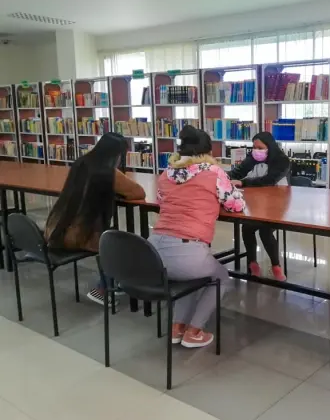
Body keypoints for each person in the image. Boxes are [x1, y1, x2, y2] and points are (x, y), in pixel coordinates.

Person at [149, 126, 245, 348]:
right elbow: (235, 205)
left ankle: (176, 328)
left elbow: (161, 202)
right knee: (220, 277)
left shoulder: (167, 172)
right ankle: (194, 331)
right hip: (187, 251)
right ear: (207, 152)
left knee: (189, 278)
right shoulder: (212, 173)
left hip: (153, 253)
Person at [45, 132, 146, 306]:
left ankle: (114, 282)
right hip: (76, 234)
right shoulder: (107, 172)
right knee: (117, 242)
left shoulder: (81, 163)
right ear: (116, 154)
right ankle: (103, 289)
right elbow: (138, 192)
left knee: (110, 236)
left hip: (56, 226)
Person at [229, 132, 290, 282]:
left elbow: (268, 180)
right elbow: (237, 172)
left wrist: (244, 182)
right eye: (254, 147)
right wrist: (220, 176)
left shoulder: (282, 160)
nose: (257, 150)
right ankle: (252, 263)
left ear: (270, 147)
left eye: (260, 147)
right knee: (247, 227)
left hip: (278, 203)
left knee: (265, 230)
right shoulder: (253, 157)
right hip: (257, 203)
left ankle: (276, 265)